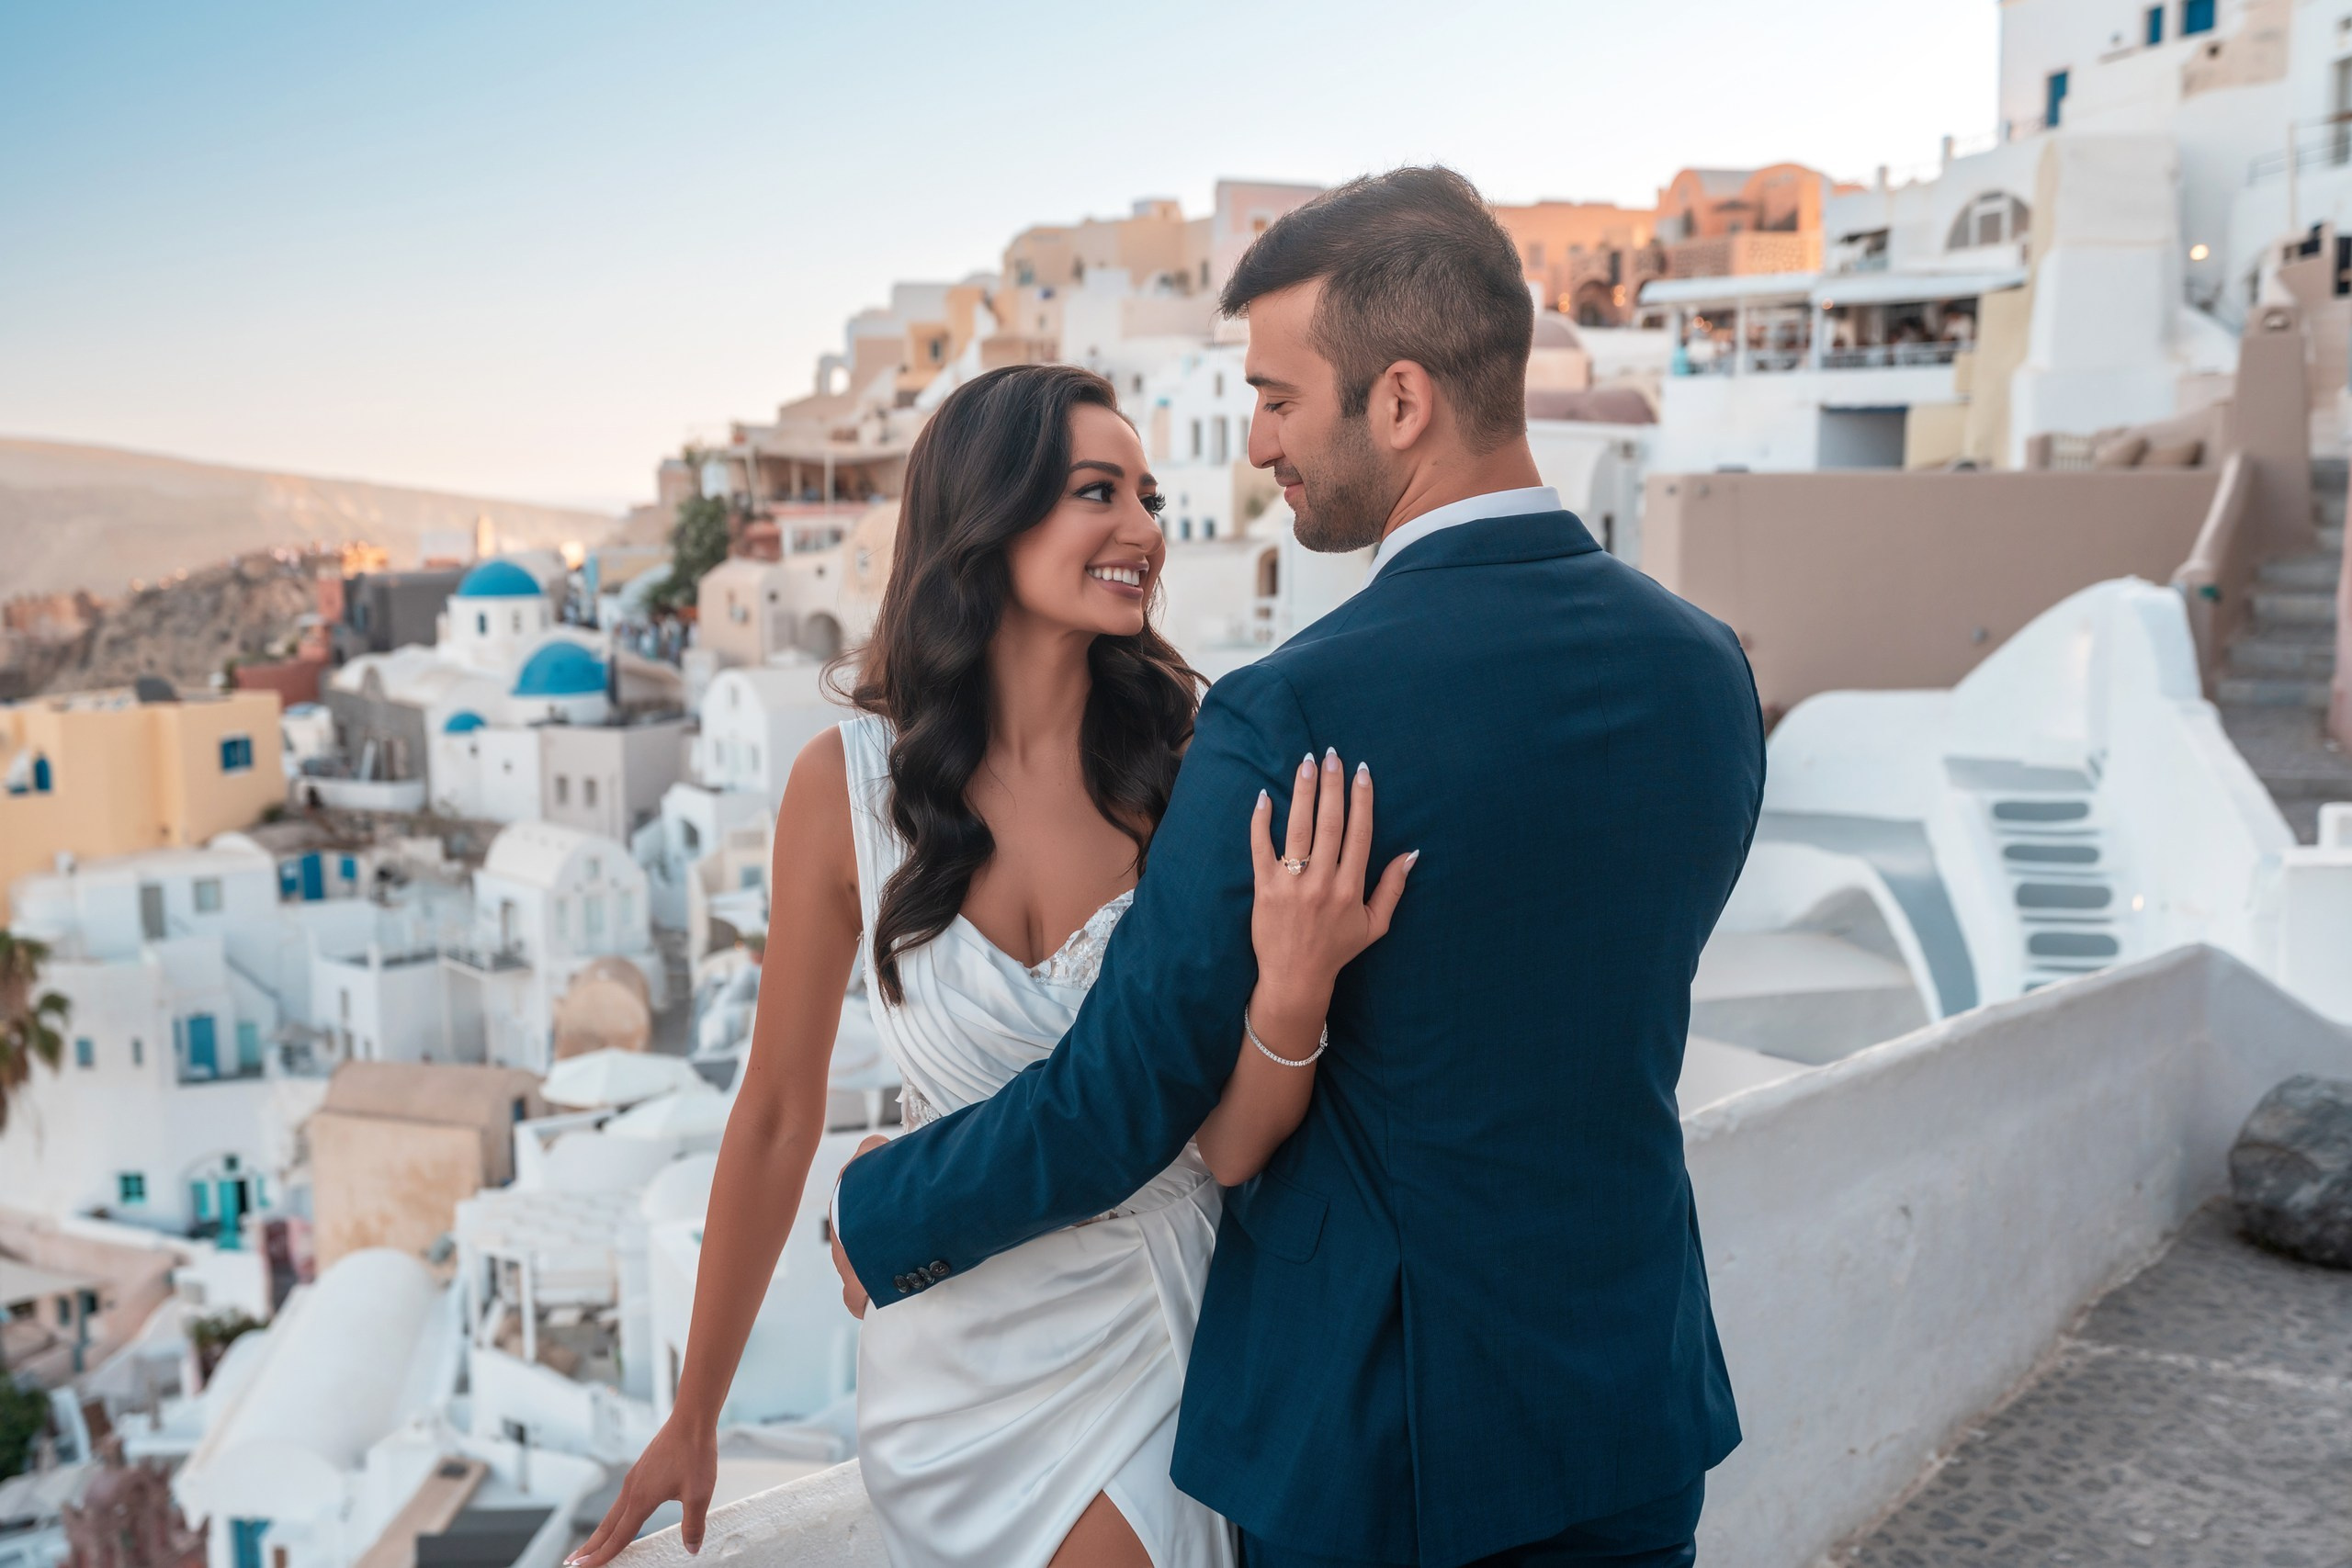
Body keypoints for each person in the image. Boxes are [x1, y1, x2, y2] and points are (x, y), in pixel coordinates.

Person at [831, 167, 1765, 1567]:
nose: (1258, 441)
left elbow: (1121, 1097)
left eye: (1278, 397)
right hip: (1627, 1403)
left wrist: (879, 1209)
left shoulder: (1297, 714)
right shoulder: (1707, 673)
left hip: (1382, 1446)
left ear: (1400, 402)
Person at [567, 360, 1412, 1568]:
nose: (1144, 530)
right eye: (1097, 492)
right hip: (940, 1374)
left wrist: (1293, 990)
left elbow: (1233, 1135)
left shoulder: (1193, 769)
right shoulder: (843, 787)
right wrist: (695, 1413)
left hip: (1145, 1339)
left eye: (1150, 497)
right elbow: (775, 1113)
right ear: (989, 517)